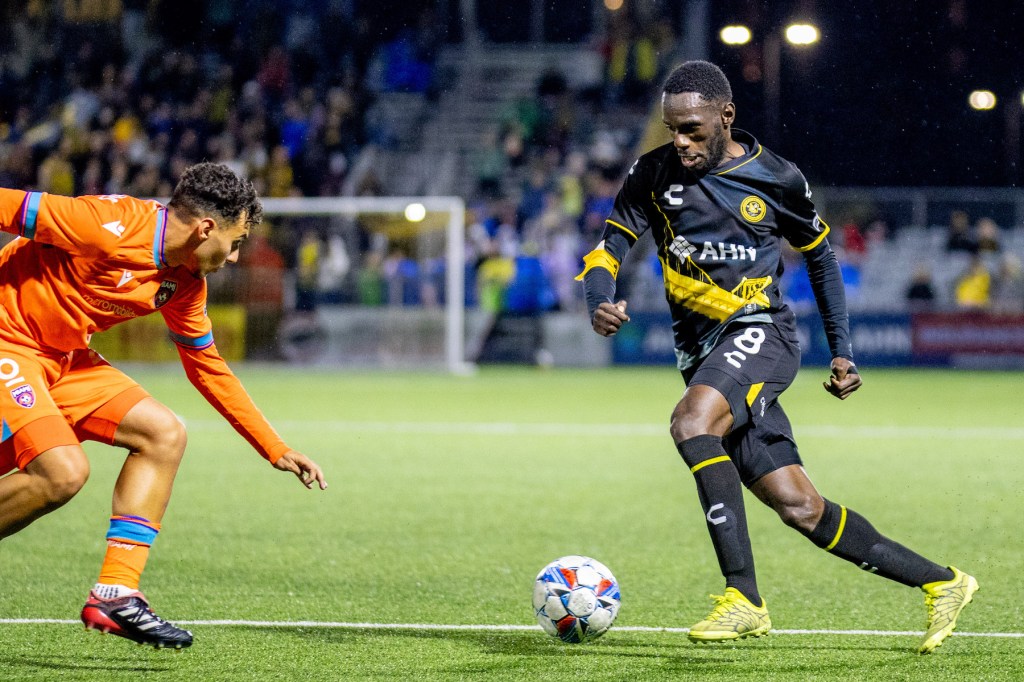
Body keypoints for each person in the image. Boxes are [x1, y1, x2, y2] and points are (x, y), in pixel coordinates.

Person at [577, 61, 977, 654]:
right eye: (671, 130)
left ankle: (745, 599)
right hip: (703, 353)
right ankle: (944, 583)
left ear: (726, 117)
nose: (680, 142)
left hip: (763, 335)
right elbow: (609, 246)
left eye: (691, 129)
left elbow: (821, 258)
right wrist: (598, 298)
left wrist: (841, 351)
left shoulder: (776, 178)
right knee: (801, 507)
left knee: (690, 422)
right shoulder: (653, 173)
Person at [0, 162, 327, 650]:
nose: (235, 257)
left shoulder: (185, 281)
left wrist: (273, 447)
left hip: (65, 358)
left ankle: (115, 591)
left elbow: (207, 366)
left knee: (163, 433)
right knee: (63, 473)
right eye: (235, 243)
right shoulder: (108, 225)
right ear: (206, 229)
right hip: (8, 341)